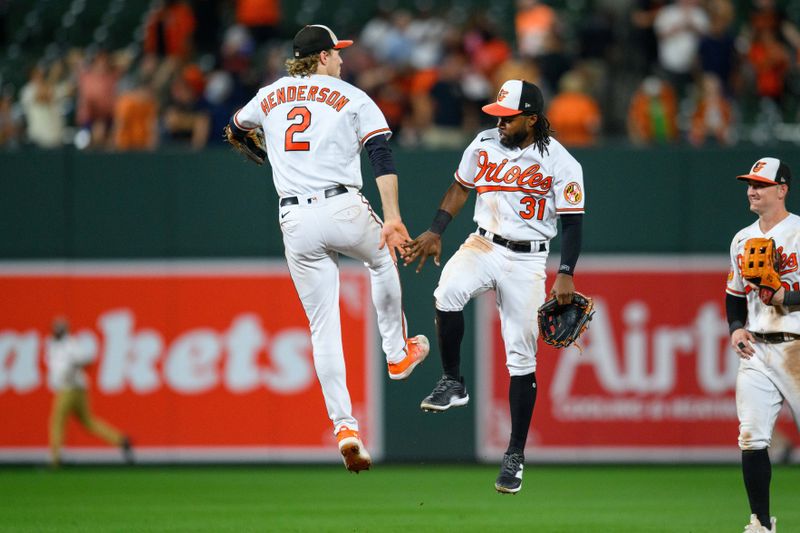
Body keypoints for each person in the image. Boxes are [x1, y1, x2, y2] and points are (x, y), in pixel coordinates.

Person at [227, 24, 429, 473]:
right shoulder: (354, 97)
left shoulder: (270, 94)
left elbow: (237, 127)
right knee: (380, 258)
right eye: (336, 54)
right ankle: (397, 353)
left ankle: (344, 427)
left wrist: (255, 146)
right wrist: (392, 215)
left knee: (323, 327)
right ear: (321, 58)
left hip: (294, 219)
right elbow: (381, 156)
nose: (341, 60)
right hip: (342, 206)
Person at [402, 79, 585, 494]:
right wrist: (435, 229)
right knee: (447, 290)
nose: (499, 123)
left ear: (532, 119)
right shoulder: (484, 142)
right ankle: (453, 381)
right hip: (484, 241)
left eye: (508, 117)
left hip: (529, 258)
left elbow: (573, 222)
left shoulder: (562, 162)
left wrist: (567, 270)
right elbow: (460, 188)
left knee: (521, 355)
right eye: (498, 116)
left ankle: (514, 456)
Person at [727, 157, 799, 532]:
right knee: (752, 436)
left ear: (782, 190)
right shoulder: (742, 238)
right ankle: (760, 523)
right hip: (756, 348)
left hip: (797, 347)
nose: (752, 190)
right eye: (749, 184)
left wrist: (785, 295)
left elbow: (782, 295)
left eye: (761, 184)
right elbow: (734, 294)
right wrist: (737, 327)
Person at [46, 318, 132, 467]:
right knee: (88, 421)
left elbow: (86, 359)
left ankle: (55, 459)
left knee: (57, 421)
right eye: (56, 329)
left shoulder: (70, 344)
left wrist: (73, 367)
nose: (57, 331)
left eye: (60, 329)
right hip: (72, 388)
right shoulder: (52, 344)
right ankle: (120, 440)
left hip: (70, 387)